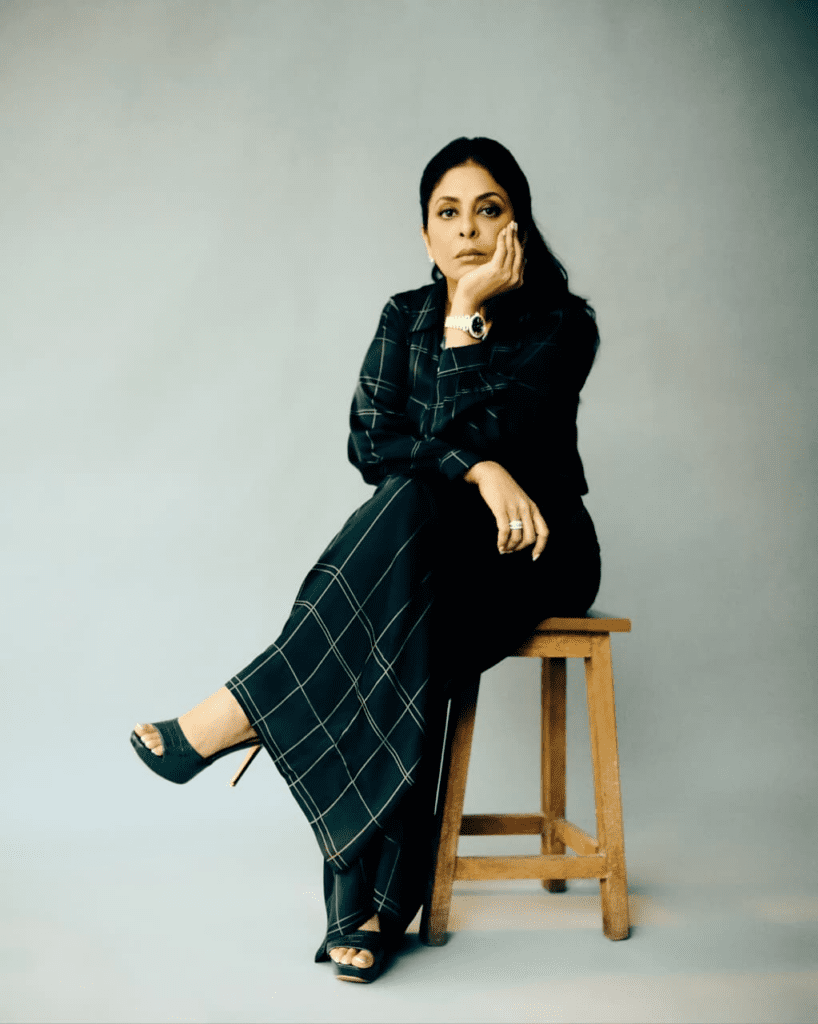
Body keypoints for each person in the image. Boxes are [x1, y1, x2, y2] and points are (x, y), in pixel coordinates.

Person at [131, 136, 602, 984]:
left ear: (518, 224)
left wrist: (466, 326)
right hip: (424, 557)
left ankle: (247, 716)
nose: (467, 230)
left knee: (409, 518)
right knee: (406, 564)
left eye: (487, 210)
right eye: (447, 214)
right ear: (424, 234)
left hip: (531, 553)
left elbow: (501, 434)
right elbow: (370, 443)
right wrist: (477, 469)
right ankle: (375, 906)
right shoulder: (401, 316)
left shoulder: (561, 325)